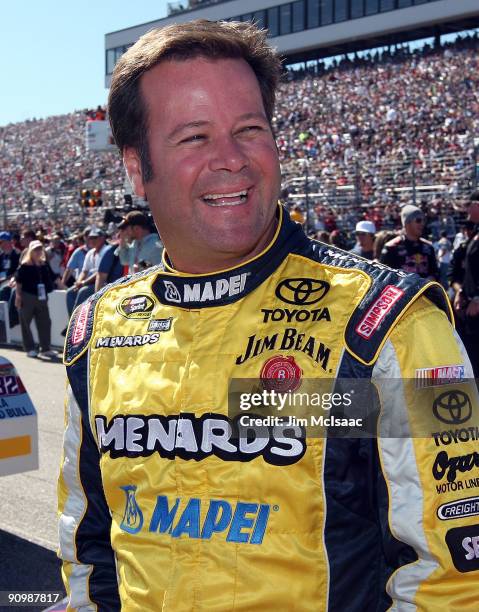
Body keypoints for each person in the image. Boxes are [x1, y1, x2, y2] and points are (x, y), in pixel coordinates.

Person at [59, 20, 479, 611]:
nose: (231, 159)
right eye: (194, 137)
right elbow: (88, 551)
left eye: (249, 129)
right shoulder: (97, 331)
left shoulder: (393, 325)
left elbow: (456, 579)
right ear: (136, 168)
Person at [14, 240, 57, 358]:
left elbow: (52, 278)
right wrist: (18, 297)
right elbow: (18, 282)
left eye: (39, 249)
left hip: (42, 297)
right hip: (27, 296)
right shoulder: (24, 265)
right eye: (35, 249)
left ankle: (46, 348)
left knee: (45, 322)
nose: (38, 252)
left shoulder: (44, 264)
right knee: (25, 323)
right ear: (30, 251)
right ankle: (30, 348)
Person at [453, 192, 479, 375]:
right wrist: (462, 289)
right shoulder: (475, 233)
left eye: (469, 205)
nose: (466, 210)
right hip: (471, 310)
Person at [379, 204, 439, 279]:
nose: (422, 224)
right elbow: (383, 278)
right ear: (407, 223)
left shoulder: (428, 247)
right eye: (418, 220)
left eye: (424, 220)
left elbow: (435, 273)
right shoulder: (391, 247)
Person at [65, 228, 108, 316]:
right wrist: (78, 282)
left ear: (102, 238)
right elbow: (84, 271)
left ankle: (78, 319)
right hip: (90, 282)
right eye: (91, 238)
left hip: (104, 283)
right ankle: (73, 320)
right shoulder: (90, 252)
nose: (92, 240)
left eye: (95, 238)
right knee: (70, 292)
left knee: (83, 291)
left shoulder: (106, 251)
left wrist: (83, 283)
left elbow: (99, 273)